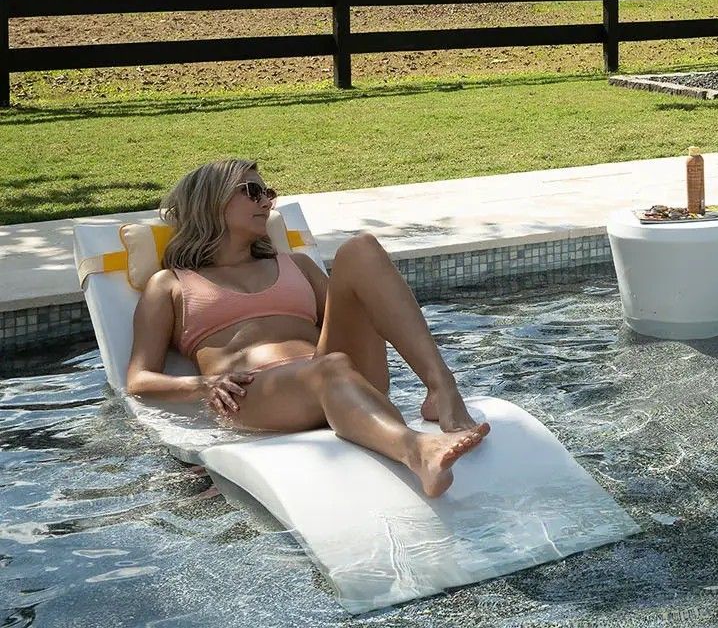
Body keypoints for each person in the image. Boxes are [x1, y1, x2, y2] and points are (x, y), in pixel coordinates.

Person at [125, 159, 489, 497]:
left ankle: (441, 388)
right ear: (211, 202)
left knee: (360, 249)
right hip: (255, 395)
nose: (267, 201)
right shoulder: (171, 285)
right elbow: (139, 379)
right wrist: (203, 385)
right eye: (252, 191)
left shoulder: (296, 264)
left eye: (268, 192)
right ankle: (416, 451)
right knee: (329, 367)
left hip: (341, 374)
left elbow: (355, 319)